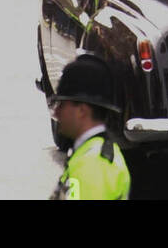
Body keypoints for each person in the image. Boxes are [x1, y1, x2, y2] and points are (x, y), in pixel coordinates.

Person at [49, 54, 130, 200]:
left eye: (62, 104)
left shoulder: (92, 166)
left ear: (82, 110)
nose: (56, 112)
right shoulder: (95, 152)